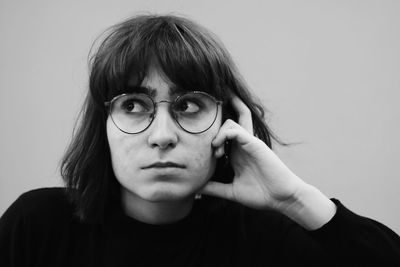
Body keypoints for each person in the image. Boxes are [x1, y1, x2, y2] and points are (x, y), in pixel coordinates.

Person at [1, 14, 400, 267]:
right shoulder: (36, 227)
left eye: (189, 105)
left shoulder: (266, 240)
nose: (161, 136)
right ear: (103, 126)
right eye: (134, 106)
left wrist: (294, 199)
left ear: (227, 124)